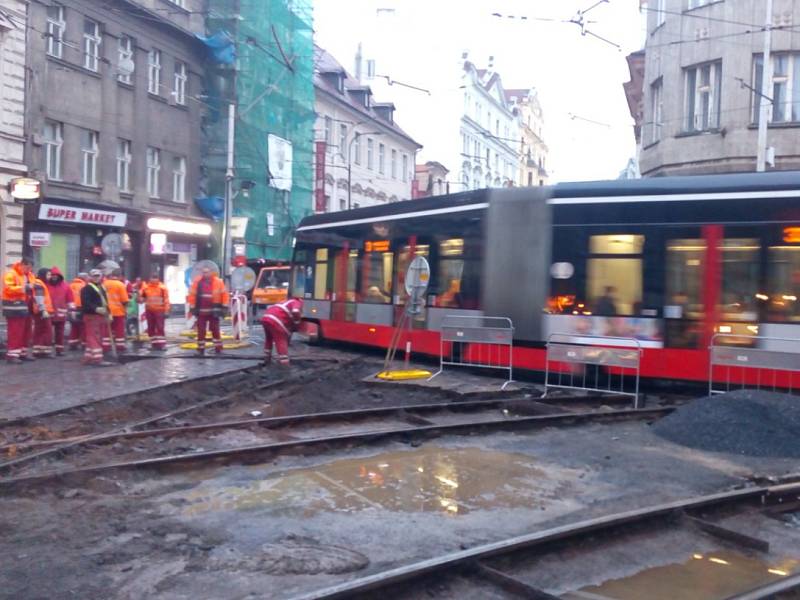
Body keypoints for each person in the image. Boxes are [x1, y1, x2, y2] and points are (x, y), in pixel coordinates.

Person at [2, 256, 36, 363]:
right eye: (27, 268)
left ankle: (22, 353)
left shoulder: (30, 275)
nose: (29, 270)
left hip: (26, 306)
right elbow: (8, 289)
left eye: (30, 268)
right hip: (14, 306)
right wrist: (24, 288)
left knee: (26, 331)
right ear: (22, 264)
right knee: (15, 331)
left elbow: (33, 287)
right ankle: (12, 355)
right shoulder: (11, 274)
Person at [187, 267, 229, 355]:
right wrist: (192, 307)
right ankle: (201, 348)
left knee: (215, 330)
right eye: (203, 272)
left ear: (211, 272)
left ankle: (218, 348)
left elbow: (224, 294)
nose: (205, 274)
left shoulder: (218, 282)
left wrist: (225, 307)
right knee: (201, 331)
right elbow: (192, 295)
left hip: (214, 310)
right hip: (201, 311)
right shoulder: (197, 282)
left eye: (207, 272)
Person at [80, 269, 111, 366]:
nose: (96, 278)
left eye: (98, 276)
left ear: (101, 276)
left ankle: (89, 357)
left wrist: (108, 313)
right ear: (90, 277)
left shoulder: (101, 287)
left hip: (100, 316)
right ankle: (98, 359)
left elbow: (105, 302)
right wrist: (96, 309)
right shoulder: (87, 289)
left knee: (96, 336)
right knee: (94, 337)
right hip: (91, 316)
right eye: (94, 276)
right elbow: (86, 303)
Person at [261, 297, 304, 365]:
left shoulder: (285, 301)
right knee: (281, 339)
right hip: (275, 319)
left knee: (269, 338)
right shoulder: (296, 302)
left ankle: (266, 358)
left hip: (266, 317)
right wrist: (297, 322)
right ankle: (284, 363)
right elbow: (295, 311)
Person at [45, 267, 75, 356]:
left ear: (59, 276)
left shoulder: (66, 286)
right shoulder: (46, 285)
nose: (54, 277)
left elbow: (70, 299)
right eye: (52, 275)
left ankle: (59, 350)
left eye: (56, 275)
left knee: (60, 333)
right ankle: (47, 350)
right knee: (48, 333)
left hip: (61, 314)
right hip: (49, 313)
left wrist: (72, 311)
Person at [138, 273, 170, 350]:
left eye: (155, 278)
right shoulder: (146, 288)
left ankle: (162, 344)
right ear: (150, 279)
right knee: (151, 327)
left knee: (160, 327)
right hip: (149, 310)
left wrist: (166, 311)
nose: (154, 280)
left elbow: (166, 300)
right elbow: (141, 299)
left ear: (158, 279)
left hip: (159, 310)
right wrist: (139, 297)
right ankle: (154, 344)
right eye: (152, 278)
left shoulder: (162, 288)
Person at [102, 269, 129, 353]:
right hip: (118, 311)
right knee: (119, 329)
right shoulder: (120, 285)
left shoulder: (104, 284)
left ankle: (106, 346)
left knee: (107, 329)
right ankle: (119, 346)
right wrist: (125, 310)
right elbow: (124, 300)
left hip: (106, 311)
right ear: (120, 276)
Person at [31, 268, 54, 358]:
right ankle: (44, 351)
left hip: (40, 311)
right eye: (48, 275)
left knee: (40, 331)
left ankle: (39, 351)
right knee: (46, 331)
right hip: (42, 311)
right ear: (43, 275)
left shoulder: (39, 283)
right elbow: (39, 298)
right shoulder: (39, 284)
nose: (50, 277)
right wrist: (43, 310)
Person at [68, 272, 88, 350]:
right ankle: (84, 344)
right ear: (84, 278)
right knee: (83, 326)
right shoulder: (84, 286)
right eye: (87, 277)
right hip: (81, 308)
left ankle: (73, 343)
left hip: (71, 308)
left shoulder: (70, 285)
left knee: (74, 326)